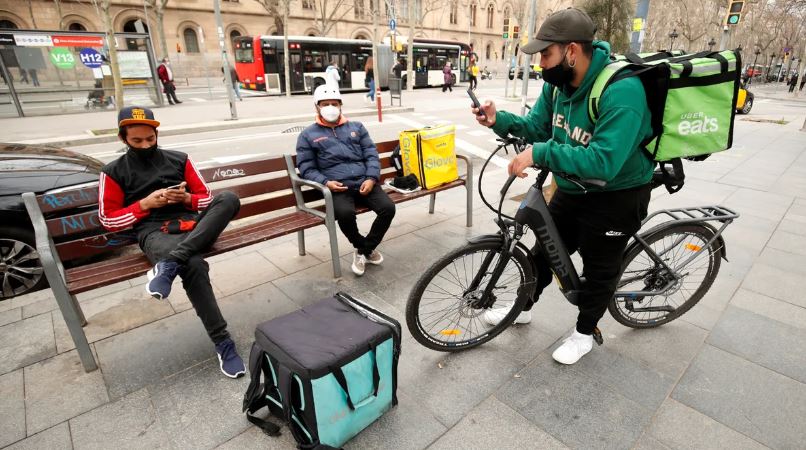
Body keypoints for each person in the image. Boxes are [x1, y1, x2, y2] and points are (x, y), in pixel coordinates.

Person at [471, 7, 654, 365]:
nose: (540, 63)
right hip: (572, 188)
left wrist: (540, 153)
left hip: (616, 195)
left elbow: (603, 161)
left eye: (546, 54)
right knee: (545, 252)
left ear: (571, 51)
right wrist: (498, 120)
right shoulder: (558, 86)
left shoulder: (622, 91)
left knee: (600, 269)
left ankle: (584, 333)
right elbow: (538, 126)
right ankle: (522, 307)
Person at [98, 106, 245, 378]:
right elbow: (108, 220)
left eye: (150, 139)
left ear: (157, 134)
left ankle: (169, 265)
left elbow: (207, 198)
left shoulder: (180, 159)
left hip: (193, 225)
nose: (145, 145)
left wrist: (186, 199)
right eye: (137, 141)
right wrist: (144, 204)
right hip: (154, 232)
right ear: (123, 138)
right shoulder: (113, 171)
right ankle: (223, 341)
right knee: (193, 264)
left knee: (229, 199)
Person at [296, 85, 395, 276]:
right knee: (345, 214)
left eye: (334, 104)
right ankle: (363, 247)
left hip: (364, 181)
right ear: (317, 107)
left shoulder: (356, 127)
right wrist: (326, 182)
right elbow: (306, 168)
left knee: (388, 208)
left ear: (341, 105)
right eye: (325, 104)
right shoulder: (308, 135)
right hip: (338, 186)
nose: (330, 107)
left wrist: (371, 178)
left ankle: (364, 250)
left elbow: (371, 155)